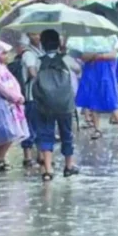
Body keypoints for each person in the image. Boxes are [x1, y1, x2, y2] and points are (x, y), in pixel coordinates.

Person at [35, 30, 79, 181]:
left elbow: (31, 75)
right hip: (64, 104)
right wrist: (64, 52)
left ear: (42, 44)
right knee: (66, 133)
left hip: (44, 104)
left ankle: (48, 169)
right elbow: (78, 70)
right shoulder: (66, 59)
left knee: (46, 134)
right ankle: (68, 166)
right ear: (58, 43)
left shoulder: (38, 61)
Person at [74, 35, 118, 140]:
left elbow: (114, 54)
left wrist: (97, 56)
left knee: (111, 97)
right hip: (91, 69)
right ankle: (97, 129)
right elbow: (82, 56)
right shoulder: (85, 38)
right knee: (93, 98)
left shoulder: (111, 37)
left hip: (106, 69)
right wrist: (95, 55)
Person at [0, 40, 28, 172]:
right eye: (4, 53)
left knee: (7, 132)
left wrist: (17, 96)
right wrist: (15, 97)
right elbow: (0, 87)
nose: (7, 56)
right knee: (7, 131)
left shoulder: (3, 69)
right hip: (1, 105)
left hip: (9, 104)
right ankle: (0, 158)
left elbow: (13, 84)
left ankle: (0, 158)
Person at [18, 33, 44, 167]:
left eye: (38, 34)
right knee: (30, 126)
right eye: (34, 34)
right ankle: (27, 156)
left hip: (40, 95)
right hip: (31, 95)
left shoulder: (41, 51)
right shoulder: (28, 54)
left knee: (40, 125)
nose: (37, 37)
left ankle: (40, 154)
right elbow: (32, 72)